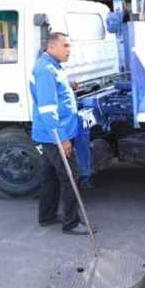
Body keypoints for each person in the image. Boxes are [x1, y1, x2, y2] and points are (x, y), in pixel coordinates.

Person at [30, 32, 91, 236]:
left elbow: (54, 93)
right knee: (70, 176)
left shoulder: (52, 67)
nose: (69, 50)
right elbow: (48, 109)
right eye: (65, 46)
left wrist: (69, 86)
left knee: (50, 177)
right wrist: (62, 138)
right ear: (52, 46)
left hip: (48, 134)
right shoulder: (46, 70)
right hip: (53, 135)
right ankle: (71, 223)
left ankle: (46, 216)